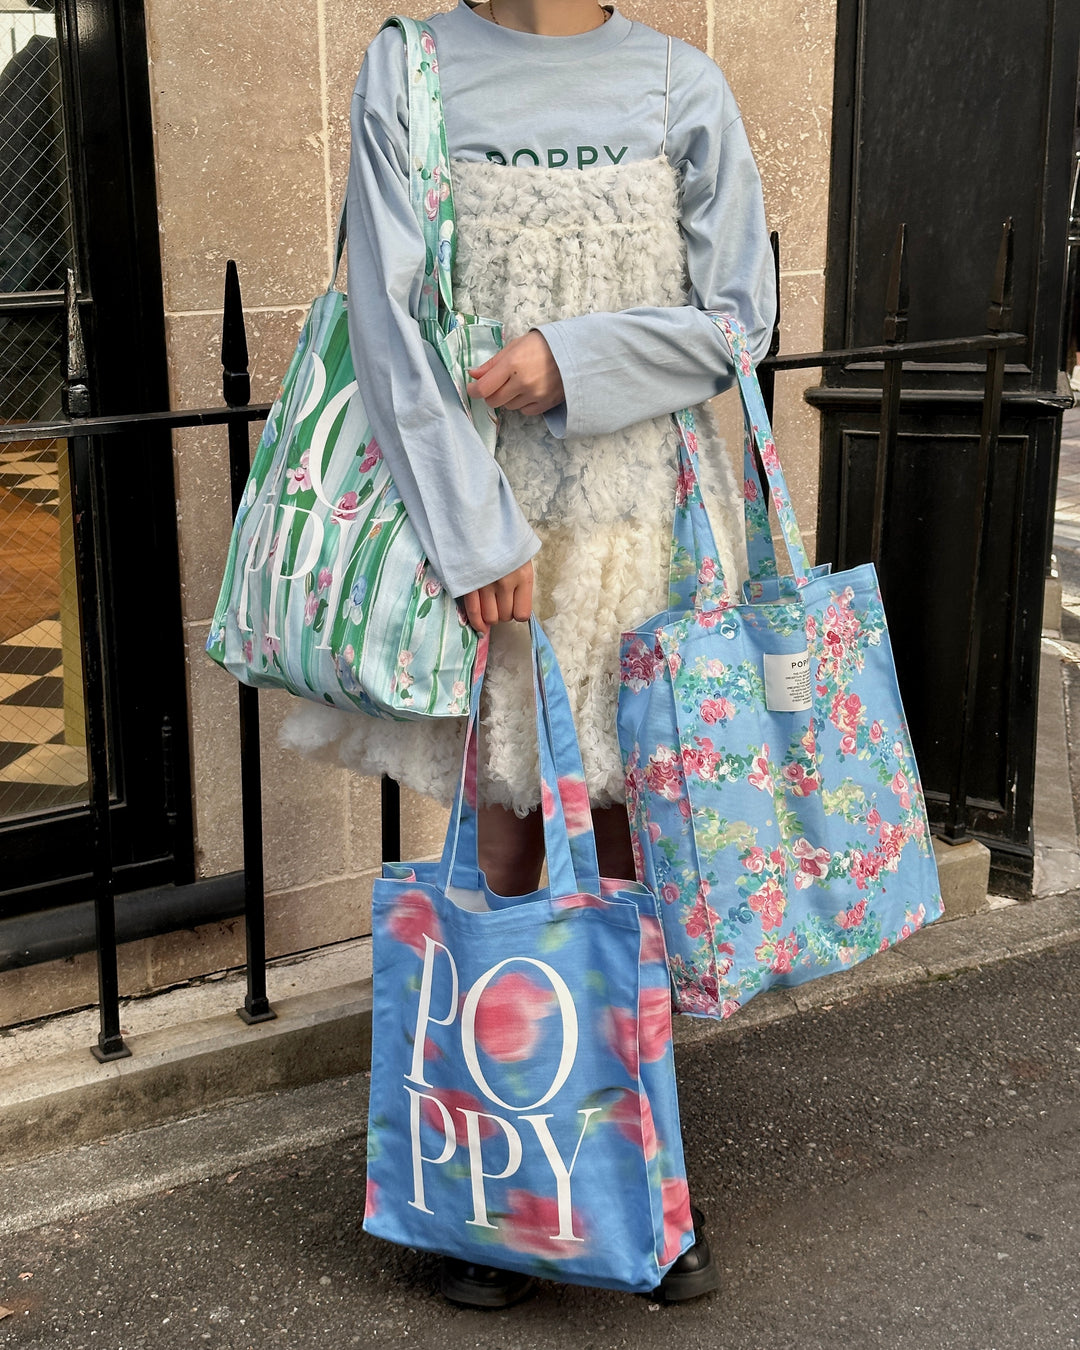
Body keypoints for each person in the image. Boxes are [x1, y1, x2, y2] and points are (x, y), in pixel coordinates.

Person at [286, 0, 775, 1309]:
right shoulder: (410, 68)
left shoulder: (680, 84)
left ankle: (641, 1178)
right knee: (505, 845)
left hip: (643, 527)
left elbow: (740, 320)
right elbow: (385, 319)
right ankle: (496, 1187)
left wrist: (574, 357)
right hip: (486, 534)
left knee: (626, 862)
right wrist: (470, 531)